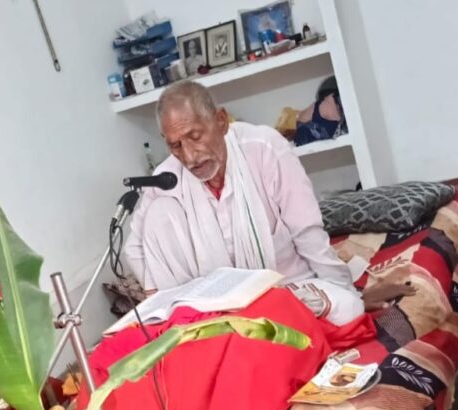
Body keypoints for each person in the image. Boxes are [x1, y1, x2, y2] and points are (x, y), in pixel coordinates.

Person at [124, 81, 412, 325]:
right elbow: (135, 248)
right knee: (158, 214)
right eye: (175, 145)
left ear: (221, 121)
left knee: (346, 309)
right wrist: (165, 308)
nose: (189, 156)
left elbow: (307, 232)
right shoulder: (166, 178)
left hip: (286, 290)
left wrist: (348, 292)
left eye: (195, 137)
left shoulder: (264, 149)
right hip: (214, 312)